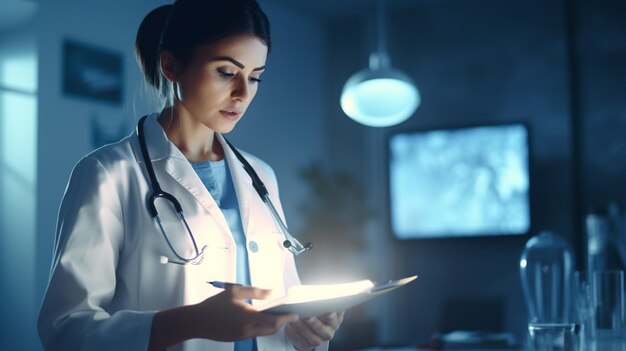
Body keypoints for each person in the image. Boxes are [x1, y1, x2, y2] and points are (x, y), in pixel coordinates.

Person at [37, 1, 344, 350]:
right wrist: (192, 322)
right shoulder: (108, 174)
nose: (243, 93)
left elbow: (284, 307)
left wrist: (306, 331)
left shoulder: (260, 176)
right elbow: (65, 331)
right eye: (227, 72)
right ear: (171, 65)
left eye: (255, 77)